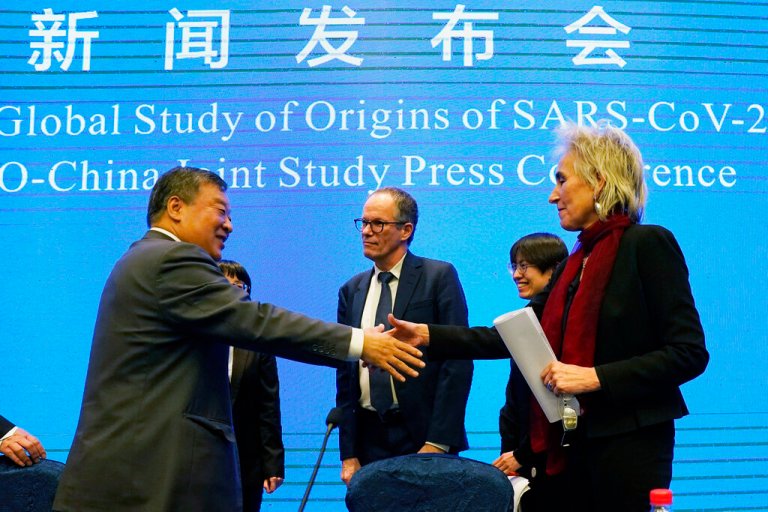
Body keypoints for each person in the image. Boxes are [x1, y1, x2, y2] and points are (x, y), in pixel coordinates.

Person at [52, 167, 424, 512]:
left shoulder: (146, 259)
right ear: (176, 207)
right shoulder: (171, 259)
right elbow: (256, 321)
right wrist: (362, 344)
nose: (229, 225)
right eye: (220, 211)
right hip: (148, 482)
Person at [388, 123, 709, 512]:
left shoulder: (648, 244)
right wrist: (426, 335)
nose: (552, 195)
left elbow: (688, 353)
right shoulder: (572, 264)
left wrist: (595, 377)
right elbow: (510, 336)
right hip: (566, 445)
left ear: (599, 181)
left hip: (628, 445)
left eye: (561, 180)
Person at [336, 187, 473, 485]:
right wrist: (348, 453)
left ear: (406, 230)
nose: (366, 232)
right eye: (363, 223)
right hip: (369, 440)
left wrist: (438, 443)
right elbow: (345, 377)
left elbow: (457, 362)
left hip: (423, 434)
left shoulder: (438, 276)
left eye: (378, 224)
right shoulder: (352, 290)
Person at [495, 234, 567, 478]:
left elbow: (557, 409)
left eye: (524, 266)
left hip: (552, 463)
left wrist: (522, 455)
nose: (516, 275)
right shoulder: (528, 318)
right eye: (514, 266)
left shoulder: (560, 322)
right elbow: (515, 403)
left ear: (555, 268)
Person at [219, 260, 284, 512]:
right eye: (226, 284)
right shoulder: (195, 338)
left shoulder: (259, 343)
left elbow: (268, 406)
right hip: (198, 460)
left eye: (239, 285)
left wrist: (273, 463)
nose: (234, 290)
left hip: (246, 460)